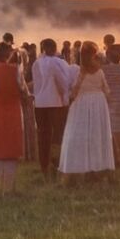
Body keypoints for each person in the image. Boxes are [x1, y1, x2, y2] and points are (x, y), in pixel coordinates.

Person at [59, 41, 114, 180]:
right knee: (97, 134)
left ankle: (81, 166)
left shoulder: (80, 71)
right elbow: (106, 90)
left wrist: (70, 98)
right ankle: (97, 167)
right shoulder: (100, 71)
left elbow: (75, 90)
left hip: (83, 104)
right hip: (99, 103)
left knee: (79, 135)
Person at [0, 41, 28, 195]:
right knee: (10, 154)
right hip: (12, 113)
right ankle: (7, 191)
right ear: (8, 55)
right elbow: (23, 91)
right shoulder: (15, 71)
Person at [31, 38, 72, 179]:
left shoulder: (36, 63)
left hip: (40, 103)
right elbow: (63, 83)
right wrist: (66, 99)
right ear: (55, 49)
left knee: (43, 135)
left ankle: (44, 165)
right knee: (58, 134)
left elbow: (35, 83)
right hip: (56, 103)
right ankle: (57, 163)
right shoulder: (58, 62)